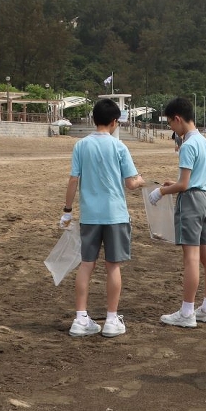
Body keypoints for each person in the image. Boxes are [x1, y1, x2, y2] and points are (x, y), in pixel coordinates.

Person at [62, 99, 147, 338]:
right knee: (113, 266)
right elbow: (130, 183)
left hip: (90, 214)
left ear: (93, 119)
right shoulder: (119, 147)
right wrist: (140, 180)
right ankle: (111, 318)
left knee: (86, 264)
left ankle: (80, 318)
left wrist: (67, 210)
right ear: (114, 122)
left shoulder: (81, 145)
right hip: (115, 214)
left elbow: (73, 180)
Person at [151, 96, 206, 328]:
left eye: (171, 123)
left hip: (190, 201)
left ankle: (187, 312)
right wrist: (176, 184)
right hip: (205, 199)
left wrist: (161, 191)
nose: (172, 128)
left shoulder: (187, 145)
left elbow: (184, 185)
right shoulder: (204, 142)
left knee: (191, 258)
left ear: (178, 119)